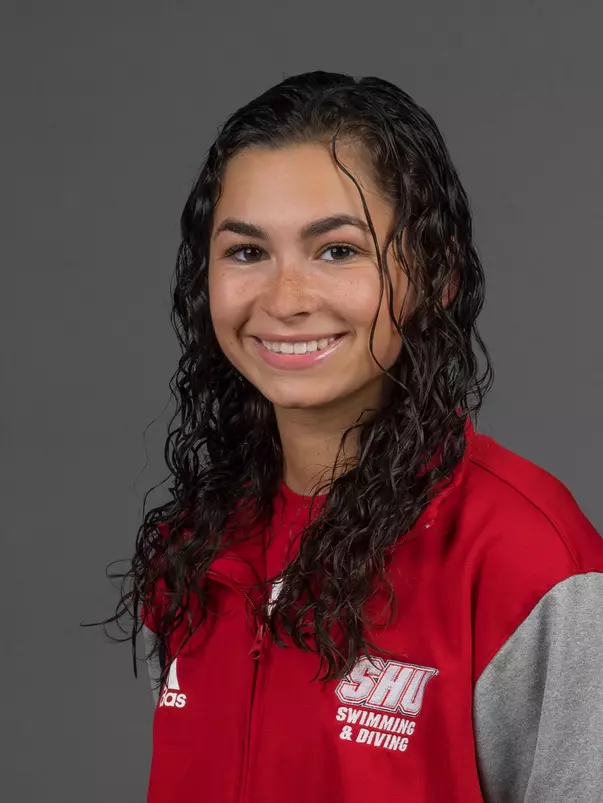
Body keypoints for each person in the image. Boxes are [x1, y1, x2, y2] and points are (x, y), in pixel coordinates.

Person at [116, 71, 603, 802]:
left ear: (433, 272)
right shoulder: (199, 546)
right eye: (246, 252)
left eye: (337, 250)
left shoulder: (524, 556)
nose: (284, 299)